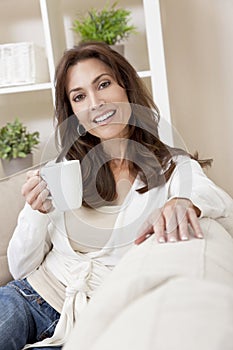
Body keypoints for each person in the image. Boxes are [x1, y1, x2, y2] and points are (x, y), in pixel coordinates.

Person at [0, 41, 232, 350]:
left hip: (89, 322)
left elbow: (218, 202)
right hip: (27, 298)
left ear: (126, 88)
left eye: (104, 84)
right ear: (73, 111)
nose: (95, 103)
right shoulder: (63, 170)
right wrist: (36, 213)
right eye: (79, 96)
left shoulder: (172, 168)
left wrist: (183, 201)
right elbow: (20, 267)